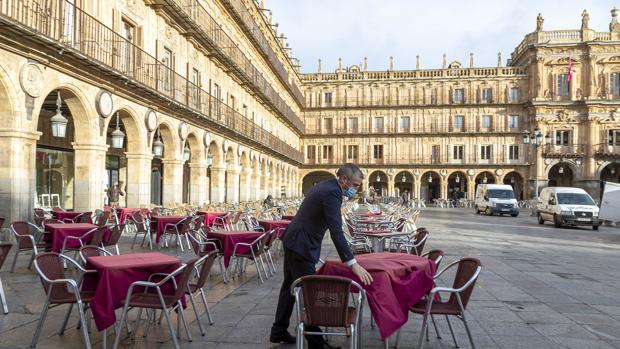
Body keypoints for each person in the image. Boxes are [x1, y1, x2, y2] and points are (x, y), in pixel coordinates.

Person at [270, 163, 373, 349]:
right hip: (301, 245)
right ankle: (317, 344)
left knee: (289, 288)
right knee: (309, 292)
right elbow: (336, 231)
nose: (356, 189)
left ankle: (278, 331)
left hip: (295, 240)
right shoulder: (332, 193)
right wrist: (352, 263)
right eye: (355, 185)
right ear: (343, 179)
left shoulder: (327, 186)